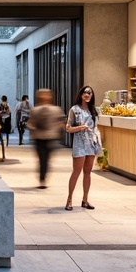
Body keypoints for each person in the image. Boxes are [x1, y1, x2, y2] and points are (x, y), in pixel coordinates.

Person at [65, 84, 100, 212]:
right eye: (85, 92)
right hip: (79, 143)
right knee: (76, 172)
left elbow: (96, 128)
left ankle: (85, 199)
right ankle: (69, 199)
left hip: (91, 143)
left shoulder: (93, 110)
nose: (87, 94)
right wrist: (80, 128)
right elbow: (68, 128)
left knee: (88, 171)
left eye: (90, 93)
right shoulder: (74, 109)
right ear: (81, 94)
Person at [28, 90, 63, 189]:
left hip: (51, 138)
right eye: (42, 94)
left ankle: (43, 177)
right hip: (39, 138)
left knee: (47, 159)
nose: (44, 96)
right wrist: (32, 130)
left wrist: (59, 131)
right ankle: (42, 179)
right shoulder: (35, 110)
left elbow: (61, 122)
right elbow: (30, 123)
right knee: (41, 159)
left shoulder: (56, 110)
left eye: (46, 94)